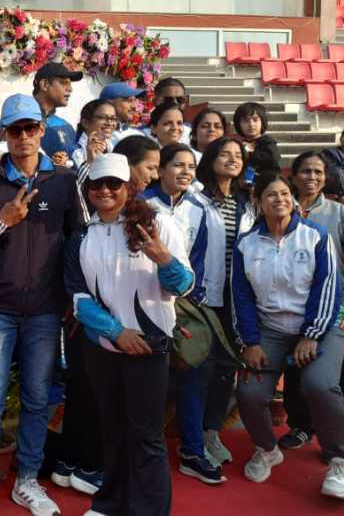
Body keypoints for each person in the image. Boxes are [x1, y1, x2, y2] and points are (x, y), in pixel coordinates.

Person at [0, 94, 83, 516]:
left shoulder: (64, 181)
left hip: (46, 310)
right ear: (4, 133)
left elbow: (78, 241)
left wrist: (74, 296)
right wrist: (4, 222)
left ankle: (27, 480)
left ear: (42, 130)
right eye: (15, 129)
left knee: (37, 399)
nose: (23, 136)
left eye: (30, 128)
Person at [65, 153, 194, 516]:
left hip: (149, 347)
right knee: (112, 429)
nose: (104, 191)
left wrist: (164, 259)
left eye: (113, 184)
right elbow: (77, 297)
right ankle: (111, 503)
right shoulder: (82, 235)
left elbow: (184, 285)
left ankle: (149, 509)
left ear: (129, 187)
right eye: (97, 184)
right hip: (103, 347)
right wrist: (116, 332)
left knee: (146, 436)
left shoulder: (158, 224)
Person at [233, 172, 344, 499]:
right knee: (249, 393)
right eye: (271, 195)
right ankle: (267, 449)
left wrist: (312, 334)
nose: (280, 200)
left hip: (321, 327)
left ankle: (340, 460)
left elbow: (328, 287)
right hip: (270, 330)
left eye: (285, 193)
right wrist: (250, 342)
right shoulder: (246, 244)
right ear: (258, 202)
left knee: (319, 385)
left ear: (294, 199)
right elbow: (241, 297)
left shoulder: (315, 236)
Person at [279, 151, 344, 451]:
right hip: (290, 306)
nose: (312, 177)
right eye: (306, 171)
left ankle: (337, 434)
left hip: (333, 307)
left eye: (318, 172)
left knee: (335, 374)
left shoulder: (337, 212)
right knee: (295, 369)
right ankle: (301, 426)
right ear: (293, 175)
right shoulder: (280, 208)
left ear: (325, 178)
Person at [140, 144, 226, 485]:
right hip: (145, 305)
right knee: (150, 382)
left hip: (185, 305)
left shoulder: (200, 209)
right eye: (178, 165)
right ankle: (144, 454)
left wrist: (190, 300)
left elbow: (201, 261)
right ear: (160, 169)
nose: (186, 172)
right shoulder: (142, 204)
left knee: (194, 374)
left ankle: (192, 450)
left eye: (191, 166)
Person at [193, 136, 255, 466]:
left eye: (238, 155)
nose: (233, 159)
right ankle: (193, 435)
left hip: (237, 296)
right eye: (225, 154)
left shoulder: (248, 202)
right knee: (201, 366)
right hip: (204, 294)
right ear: (211, 159)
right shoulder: (196, 198)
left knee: (226, 367)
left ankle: (211, 431)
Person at [34, 62, 84, 167]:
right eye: (64, 83)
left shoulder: (66, 126)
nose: (70, 89)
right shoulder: (19, 121)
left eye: (70, 84)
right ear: (44, 85)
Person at [233, 102, 280, 182]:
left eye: (255, 120)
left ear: (262, 122)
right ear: (238, 125)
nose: (251, 124)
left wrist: (249, 152)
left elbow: (273, 158)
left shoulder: (267, 141)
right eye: (245, 121)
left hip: (267, 182)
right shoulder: (239, 144)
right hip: (246, 182)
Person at [71, 98, 117, 167]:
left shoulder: (114, 149)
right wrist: (90, 162)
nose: (109, 123)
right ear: (85, 123)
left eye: (113, 118)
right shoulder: (74, 152)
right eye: (102, 117)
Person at [152, 78, 191, 145]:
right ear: (156, 101)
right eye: (169, 100)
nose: (175, 103)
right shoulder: (140, 134)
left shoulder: (194, 134)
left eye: (180, 99)